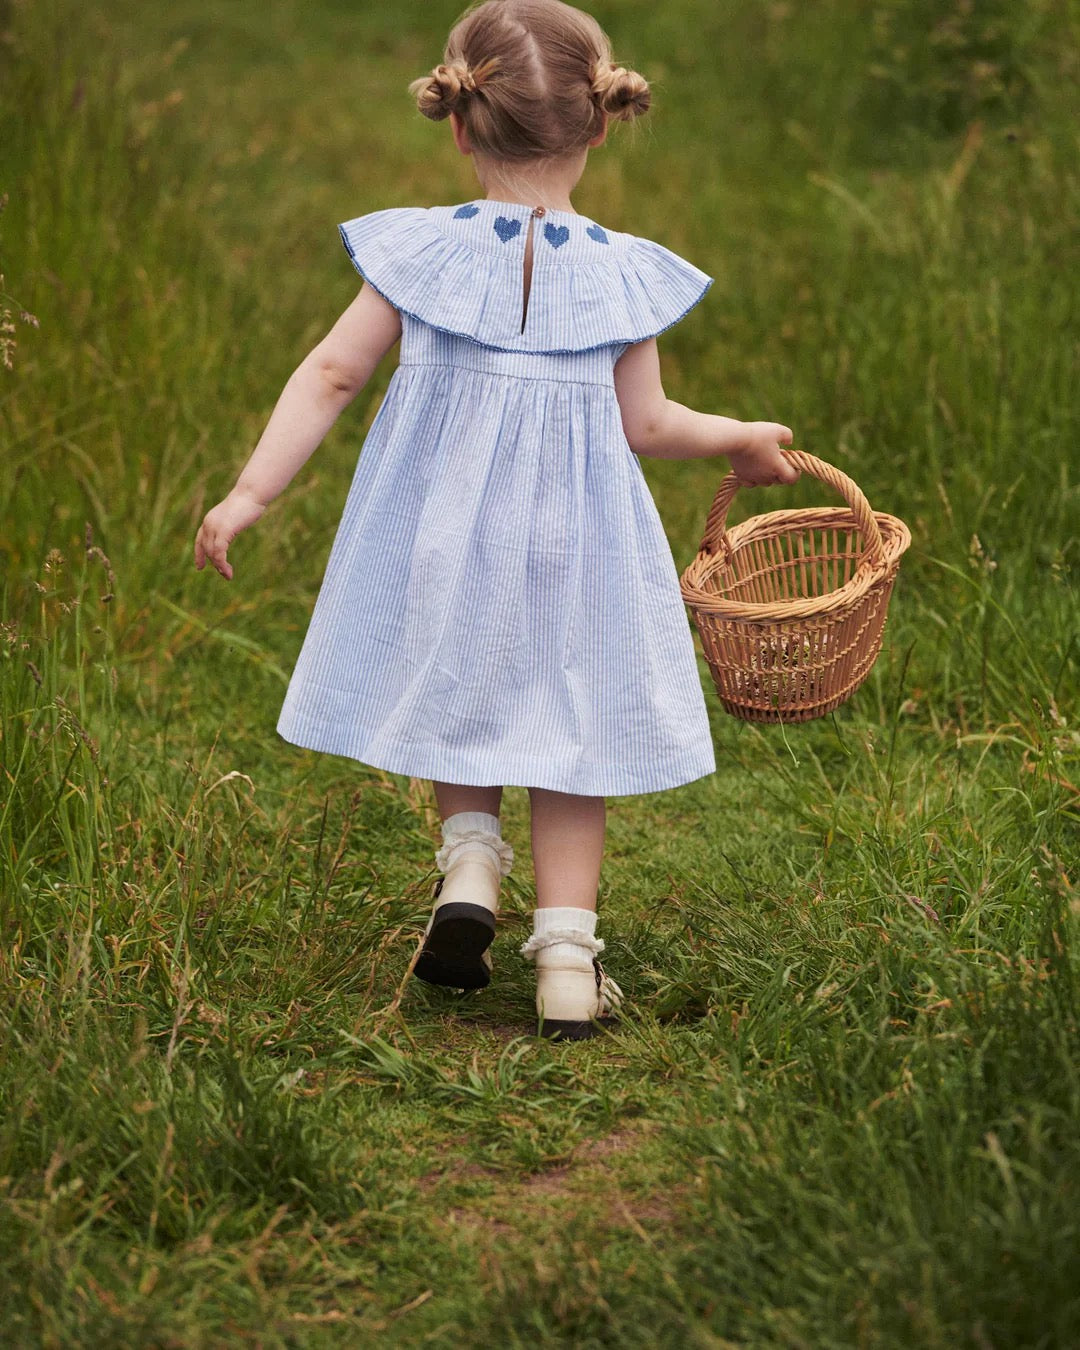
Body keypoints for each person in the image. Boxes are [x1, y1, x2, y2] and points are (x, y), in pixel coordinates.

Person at [194, 0, 798, 1041]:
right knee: (571, 730)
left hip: (443, 530)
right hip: (580, 541)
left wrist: (250, 493)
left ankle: (470, 858)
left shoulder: (419, 255)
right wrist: (742, 435)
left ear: (461, 123)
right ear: (601, 124)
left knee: (460, 676)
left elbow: (335, 373)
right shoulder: (618, 270)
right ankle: (567, 959)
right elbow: (647, 422)